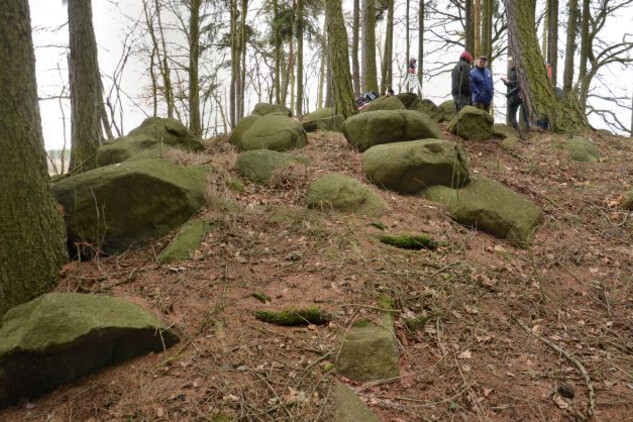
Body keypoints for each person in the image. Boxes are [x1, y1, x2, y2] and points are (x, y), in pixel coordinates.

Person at [501, 58, 526, 130]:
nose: (509, 64)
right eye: (509, 63)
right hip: (512, 96)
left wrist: (509, 82)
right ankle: (516, 130)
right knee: (511, 116)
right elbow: (512, 84)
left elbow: (518, 84)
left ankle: (517, 131)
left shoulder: (518, 71)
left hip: (516, 96)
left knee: (512, 116)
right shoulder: (511, 71)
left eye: (511, 63)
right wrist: (506, 83)